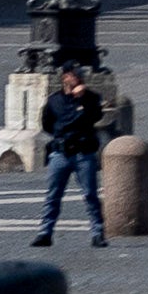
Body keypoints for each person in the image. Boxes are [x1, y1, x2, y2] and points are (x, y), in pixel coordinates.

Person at [30, 59, 114, 249]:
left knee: (90, 195)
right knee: (53, 195)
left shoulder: (91, 98)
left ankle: (97, 233)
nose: (79, 78)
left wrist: (82, 99)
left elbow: (96, 116)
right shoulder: (54, 100)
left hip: (83, 153)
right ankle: (45, 232)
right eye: (75, 75)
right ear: (65, 77)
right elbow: (47, 125)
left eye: (80, 75)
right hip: (60, 153)